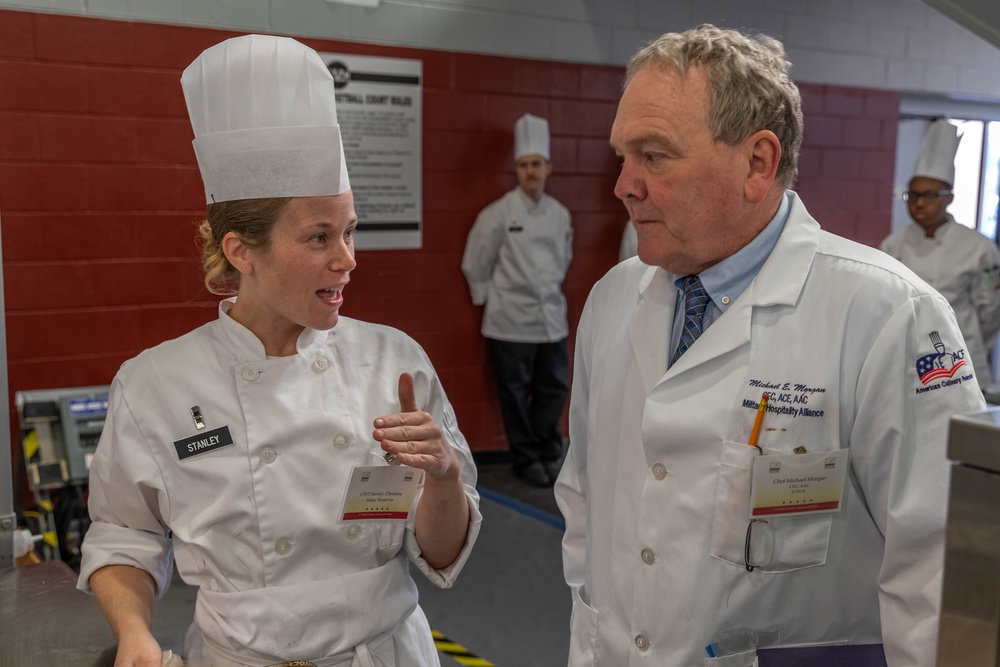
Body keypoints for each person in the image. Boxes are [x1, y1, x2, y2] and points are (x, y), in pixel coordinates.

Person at [554, 24, 987, 666]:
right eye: (623, 155)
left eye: (654, 155)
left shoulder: (888, 313)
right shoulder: (614, 298)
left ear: (757, 162)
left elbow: (941, 567)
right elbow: (585, 498)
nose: (624, 184)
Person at [77, 34, 481, 667]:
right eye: (319, 236)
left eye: (350, 231)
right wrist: (135, 634)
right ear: (241, 251)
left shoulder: (393, 361)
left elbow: (441, 550)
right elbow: (124, 535)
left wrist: (444, 478)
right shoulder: (156, 384)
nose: (347, 260)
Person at [461, 114, 573, 487]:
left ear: (547, 168)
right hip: (509, 321)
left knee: (554, 390)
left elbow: (564, 258)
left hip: (551, 320)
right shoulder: (498, 213)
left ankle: (549, 451)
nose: (530, 171)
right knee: (514, 394)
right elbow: (475, 262)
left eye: (536, 164)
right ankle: (527, 459)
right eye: (524, 165)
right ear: (517, 170)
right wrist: (488, 300)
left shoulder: (560, 214)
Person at [880, 119, 1000, 390]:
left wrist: (966, 341)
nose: (919, 203)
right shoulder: (893, 245)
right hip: (906, 361)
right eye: (913, 195)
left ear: (950, 197)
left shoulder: (978, 247)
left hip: (963, 359)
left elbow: (991, 312)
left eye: (930, 195)